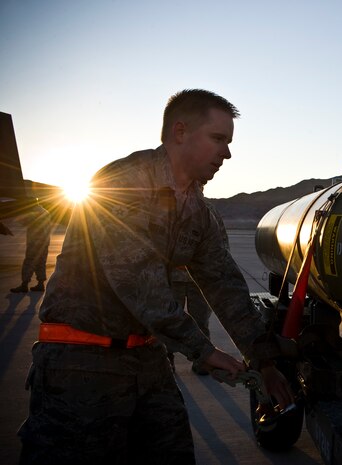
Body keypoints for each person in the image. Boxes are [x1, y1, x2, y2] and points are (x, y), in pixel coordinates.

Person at [18, 89, 294, 464]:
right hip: (80, 360)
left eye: (229, 143)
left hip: (147, 358)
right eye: (218, 139)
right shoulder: (122, 183)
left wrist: (264, 360)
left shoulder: (198, 209)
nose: (227, 154)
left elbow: (224, 284)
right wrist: (203, 349)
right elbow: (136, 280)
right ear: (180, 132)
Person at [168, 198, 228, 375]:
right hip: (173, 278)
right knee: (170, 322)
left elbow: (221, 242)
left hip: (199, 280)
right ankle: (167, 360)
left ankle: (203, 361)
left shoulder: (208, 210)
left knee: (200, 321)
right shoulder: (169, 208)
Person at [10, 202, 52, 293]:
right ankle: (40, 284)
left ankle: (24, 284)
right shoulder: (46, 212)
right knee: (41, 261)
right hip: (45, 241)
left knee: (29, 261)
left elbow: (22, 222)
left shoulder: (33, 212)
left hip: (35, 241)